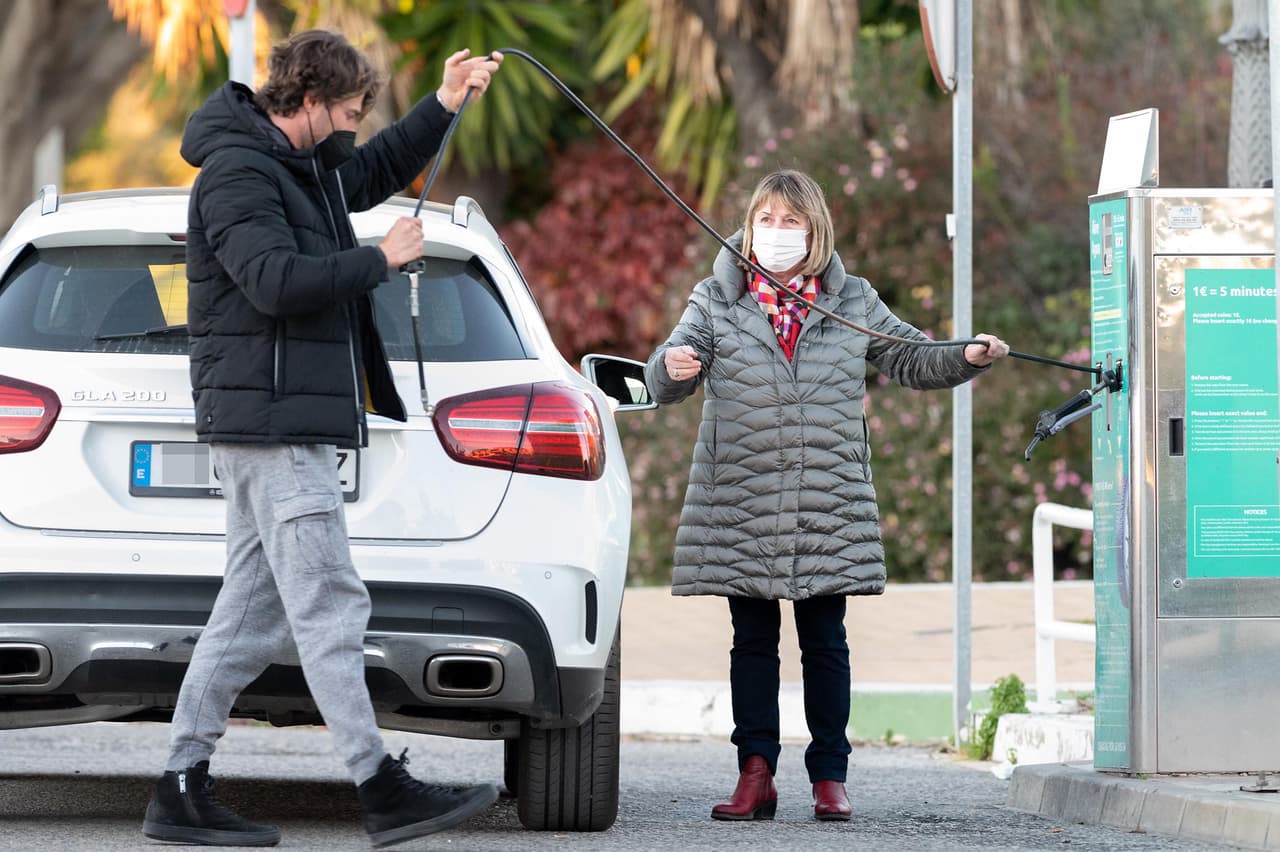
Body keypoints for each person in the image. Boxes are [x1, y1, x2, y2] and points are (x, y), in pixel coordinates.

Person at [141, 31, 503, 848]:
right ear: (303, 101)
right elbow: (272, 282)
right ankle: (380, 787)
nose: (346, 130)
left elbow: (368, 172)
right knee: (331, 604)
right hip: (273, 430)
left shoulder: (296, 164)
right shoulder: (237, 174)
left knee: (250, 617)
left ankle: (180, 787)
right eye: (340, 113)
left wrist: (444, 103)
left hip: (279, 423)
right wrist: (377, 262)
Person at [644, 170, 1009, 823]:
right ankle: (755, 773)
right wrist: (669, 369)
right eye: (766, 220)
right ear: (749, 226)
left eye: (791, 222)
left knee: (826, 642)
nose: (776, 234)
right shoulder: (716, 298)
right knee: (751, 642)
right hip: (742, 499)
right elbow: (670, 367)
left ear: (815, 232)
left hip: (827, 500)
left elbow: (912, 358)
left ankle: (829, 777)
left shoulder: (852, 300)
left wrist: (969, 356)